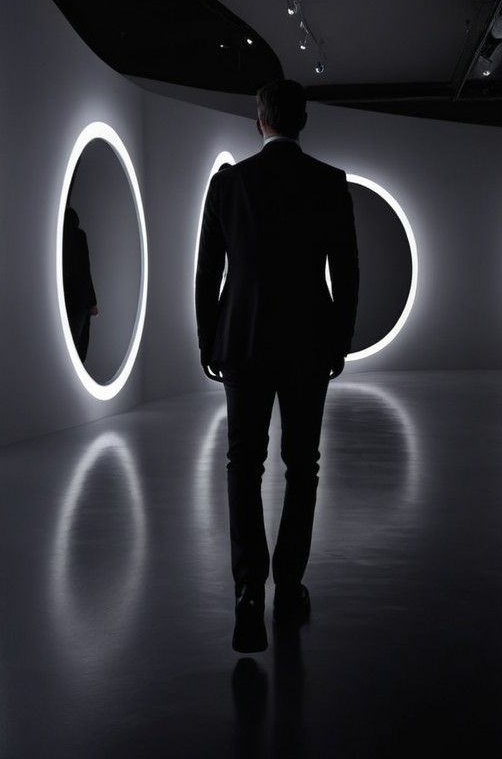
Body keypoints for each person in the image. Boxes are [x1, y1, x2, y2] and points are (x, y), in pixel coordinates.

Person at [195, 79, 359, 653]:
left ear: (259, 119)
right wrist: (339, 342)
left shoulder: (229, 184)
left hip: (242, 341)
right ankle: (288, 587)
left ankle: (247, 592)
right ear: (303, 120)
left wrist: (208, 341)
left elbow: (208, 271)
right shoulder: (330, 182)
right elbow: (347, 273)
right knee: (302, 465)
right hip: (308, 342)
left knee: (243, 464)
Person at [63, 206, 98, 363]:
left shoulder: (59, 237)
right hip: (78, 300)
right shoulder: (78, 236)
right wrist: (92, 302)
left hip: (70, 298)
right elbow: (85, 269)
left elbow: (84, 269)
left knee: (71, 348)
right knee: (76, 348)